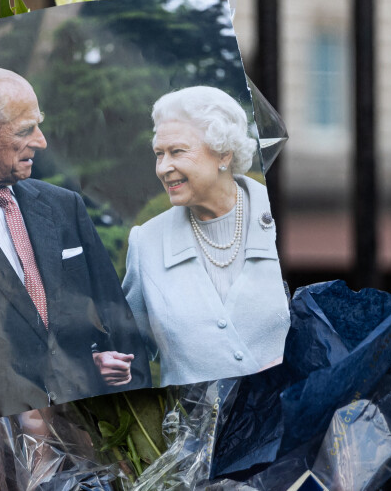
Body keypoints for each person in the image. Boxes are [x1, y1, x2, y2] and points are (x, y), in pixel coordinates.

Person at [0, 66, 151, 420]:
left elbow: (117, 321)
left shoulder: (63, 205)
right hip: (14, 434)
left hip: (97, 423)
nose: (41, 141)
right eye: (26, 130)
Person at [123, 86, 290, 387]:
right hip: (191, 431)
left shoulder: (280, 217)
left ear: (223, 153)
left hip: (288, 426)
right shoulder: (146, 242)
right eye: (159, 154)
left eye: (177, 152)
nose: (163, 168)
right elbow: (127, 350)